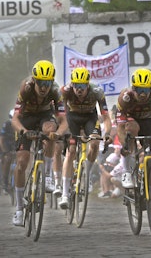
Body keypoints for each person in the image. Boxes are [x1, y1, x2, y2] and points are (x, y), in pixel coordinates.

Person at [10, 60, 67, 226]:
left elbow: (64, 120)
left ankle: (47, 175)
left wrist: (57, 134)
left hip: (44, 117)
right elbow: (15, 118)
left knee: (50, 130)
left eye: (47, 83)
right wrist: (23, 132)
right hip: (26, 119)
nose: (44, 87)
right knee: (21, 163)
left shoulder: (55, 91)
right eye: (41, 83)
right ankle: (20, 209)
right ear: (34, 81)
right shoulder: (26, 88)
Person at [58, 67, 112, 209]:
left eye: (82, 86)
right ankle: (64, 193)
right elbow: (60, 115)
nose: (79, 90)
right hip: (72, 118)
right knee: (71, 151)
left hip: (90, 117)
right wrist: (61, 131)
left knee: (94, 143)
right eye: (76, 86)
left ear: (88, 85)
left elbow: (106, 117)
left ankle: (87, 174)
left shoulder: (97, 92)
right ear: (72, 84)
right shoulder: (65, 91)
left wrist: (106, 134)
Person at [0, 109, 16, 194]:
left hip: (16, 144)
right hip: (7, 145)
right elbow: (1, 140)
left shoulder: (20, 123)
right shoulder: (6, 125)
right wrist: (5, 151)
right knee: (8, 160)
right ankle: (5, 182)